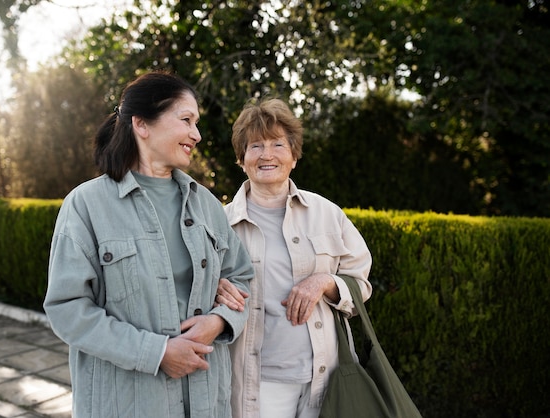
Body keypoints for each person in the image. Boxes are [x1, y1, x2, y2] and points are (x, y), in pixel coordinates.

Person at [43, 71, 253, 418]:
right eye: (186, 120)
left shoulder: (206, 205)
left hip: (205, 402)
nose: (196, 135)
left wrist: (219, 321)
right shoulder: (85, 205)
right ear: (142, 124)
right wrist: (156, 353)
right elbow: (67, 309)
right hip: (125, 404)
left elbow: (242, 277)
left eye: (196, 123)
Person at [215, 98, 373, 418]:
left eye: (278, 144)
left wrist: (325, 282)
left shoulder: (328, 214)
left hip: (325, 378)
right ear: (241, 159)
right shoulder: (219, 224)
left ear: (294, 156)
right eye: (255, 145)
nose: (267, 154)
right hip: (259, 384)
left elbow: (360, 285)